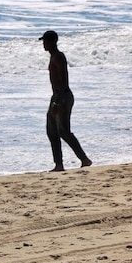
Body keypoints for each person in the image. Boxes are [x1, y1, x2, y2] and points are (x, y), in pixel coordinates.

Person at [39, 30, 92, 172]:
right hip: (56, 96)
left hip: (62, 96)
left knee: (64, 131)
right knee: (52, 131)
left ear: (52, 42)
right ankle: (59, 164)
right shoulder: (53, 57)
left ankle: (84, 159)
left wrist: (57, 101)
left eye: (45, 41)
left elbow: (63, 80)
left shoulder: (58, 57)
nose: (44, 44)